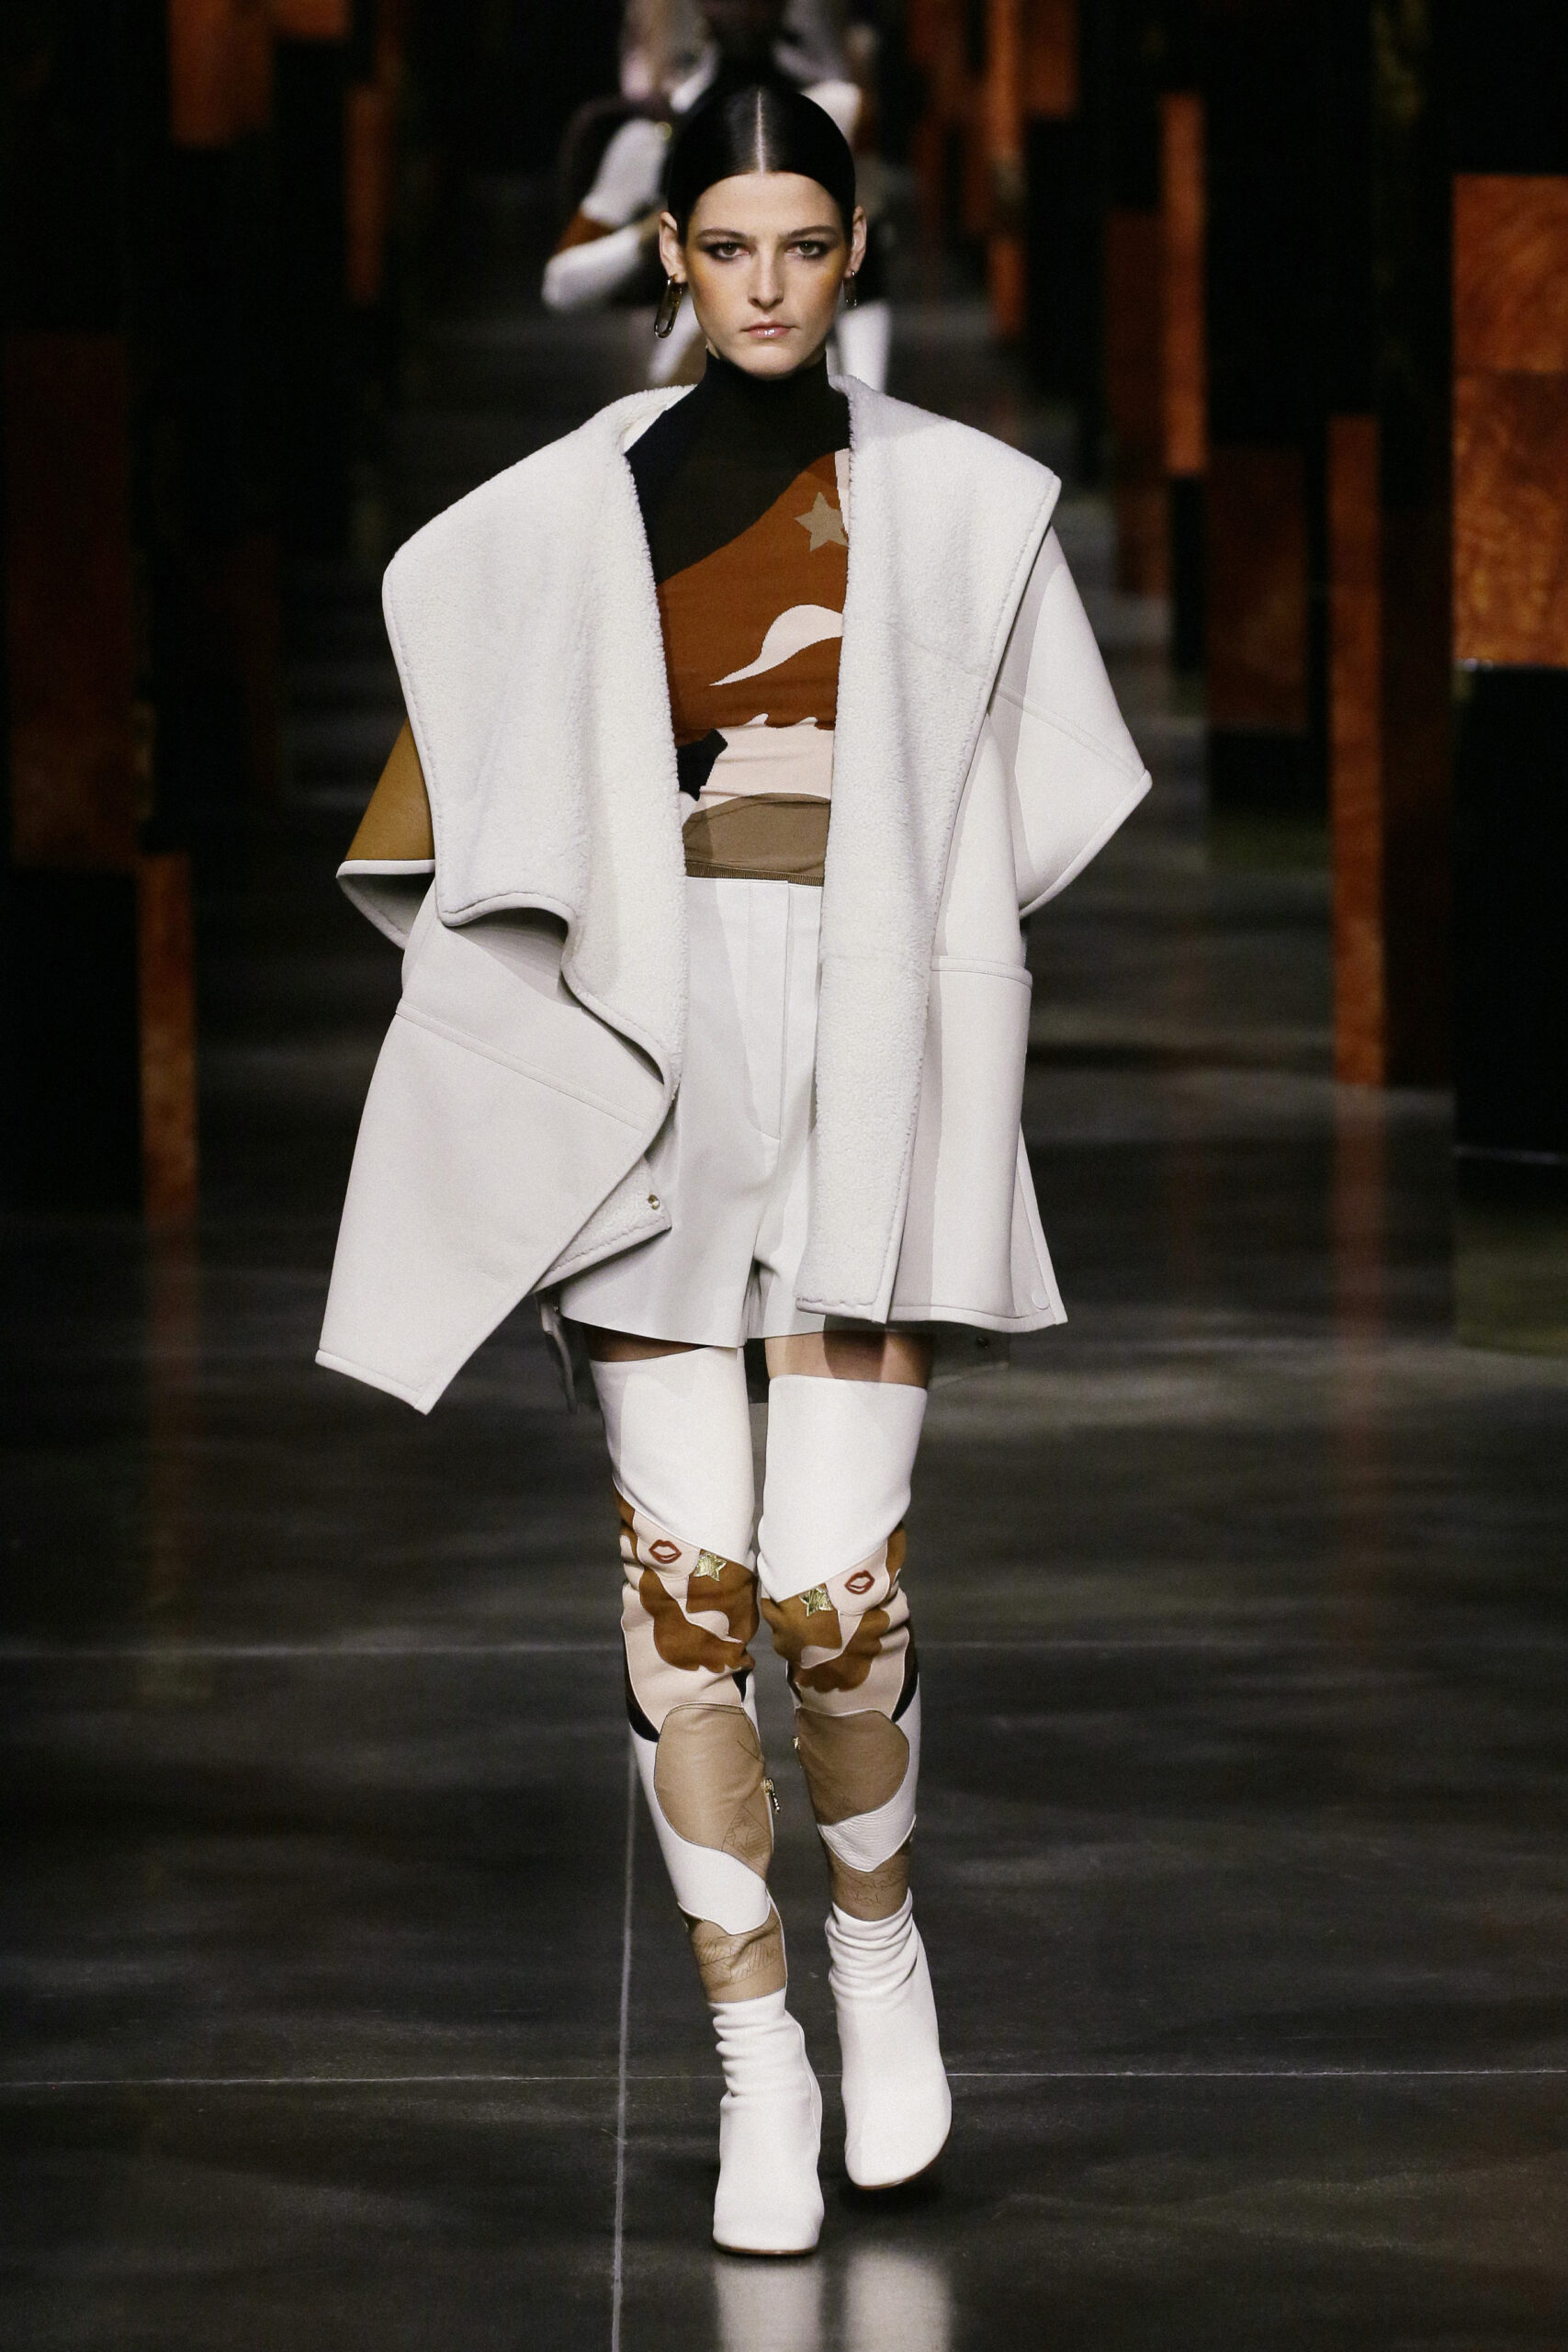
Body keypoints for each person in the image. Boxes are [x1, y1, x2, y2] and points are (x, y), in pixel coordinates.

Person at [320, 85, 1150, 2255]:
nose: (766, 283)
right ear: (672, 255)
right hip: (651, 1053)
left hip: (873, 1039)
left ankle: (875, 1942)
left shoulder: (960, 505)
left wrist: (922, 947)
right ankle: (752, 2049)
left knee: (834, 1592)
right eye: (726, 245)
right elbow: (451, 809)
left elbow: (1046, 797)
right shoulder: (558, 510)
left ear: (853, 248)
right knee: (687, 1595)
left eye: (802, 242)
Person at [543, 0, 897, 390]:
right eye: (725, 249)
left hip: (808, 370)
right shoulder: (656, 134)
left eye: (806, 246)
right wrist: (650, 236)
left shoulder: (837, 113)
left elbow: (866, 275)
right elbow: (561, 287)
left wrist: (866, 403)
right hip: (693, 375)